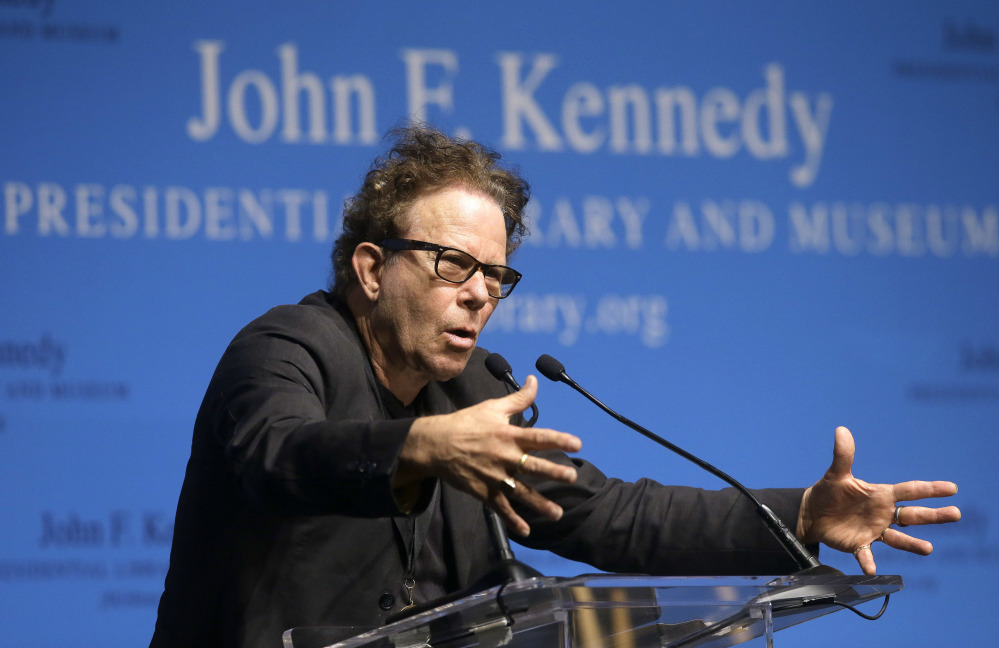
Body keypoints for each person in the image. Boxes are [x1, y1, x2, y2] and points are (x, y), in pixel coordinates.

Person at [150, 125, 960, 648]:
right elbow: (279, 456)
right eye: (452, 265)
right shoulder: (284, 348)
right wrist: (420, 447)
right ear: (371, 268)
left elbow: (604, 516)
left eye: (495, 275)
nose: (478, 293)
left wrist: (801, 516)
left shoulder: (477, 388)